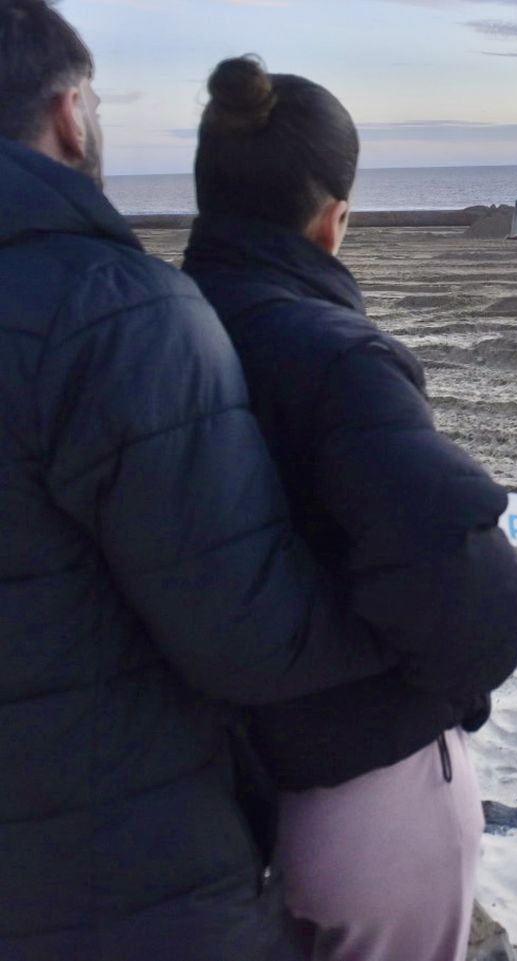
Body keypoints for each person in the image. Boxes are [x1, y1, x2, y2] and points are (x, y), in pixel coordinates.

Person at [0, 4, 397, 960]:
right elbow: (250, 635)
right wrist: (422, 639)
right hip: (113, 880)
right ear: (69, 116)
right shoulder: (113, 311)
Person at [181, 57, 517, 961]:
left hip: (191, 785)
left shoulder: (145, 334)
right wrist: (446, 691)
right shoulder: (340, 358)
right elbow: (464, 596)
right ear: (334, 219)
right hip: (361, 785)